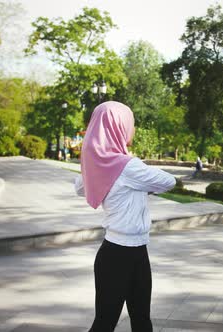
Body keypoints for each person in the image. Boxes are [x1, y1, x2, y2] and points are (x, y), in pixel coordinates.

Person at [74, 101, 176, 332]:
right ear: (119, 125)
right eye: (131, 123)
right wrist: (141, 181)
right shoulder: (128, 166)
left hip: (133, 251)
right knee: (108, 323)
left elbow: (80, 188)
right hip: (119, 254)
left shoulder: (101, 164)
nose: (133, 128)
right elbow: (169, 181)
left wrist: (96, 166)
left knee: (139, 320)